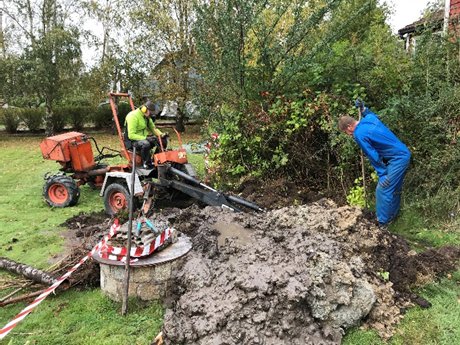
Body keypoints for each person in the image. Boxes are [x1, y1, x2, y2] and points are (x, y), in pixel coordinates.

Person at [338, 100, 411, 227]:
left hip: (397, 159)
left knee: (383, 188)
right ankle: (393, 217)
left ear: (349, 127)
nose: (348, 135)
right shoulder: (369, 119)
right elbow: (369, 113)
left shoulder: (358, 134)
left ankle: (382, 223)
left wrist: (382, 173)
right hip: (402, 153)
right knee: (394, 188)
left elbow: (373, 155)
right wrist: (363, 108)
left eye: (346, 132)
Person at [124, 100, 168, 169]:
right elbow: (131, 135)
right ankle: (147, 164)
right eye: (151, 113)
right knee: (146, 144)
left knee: (162, 141)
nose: (151, 115)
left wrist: (162, 135)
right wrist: (145, 138)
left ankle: (156, 160)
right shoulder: (133, 116)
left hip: (142, 139)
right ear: (144, 109)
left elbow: (153, 129)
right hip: (132, 142)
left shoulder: (146, 117)